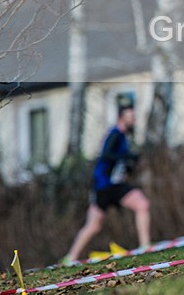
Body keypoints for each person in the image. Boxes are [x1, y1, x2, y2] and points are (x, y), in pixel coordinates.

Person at [63, 106, 151, 263]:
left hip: (108, 186)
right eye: (130, 116)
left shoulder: (123, 137)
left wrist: (130, 163)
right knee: (141, 205)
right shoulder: (115, 134)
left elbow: (120, 162)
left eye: (134, 116)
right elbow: (106, 155)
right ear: (121, 118)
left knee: (95, 224)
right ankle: (145, 245)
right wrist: (128, 156)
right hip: (106, 185)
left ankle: (70, 257)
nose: (133, 120)